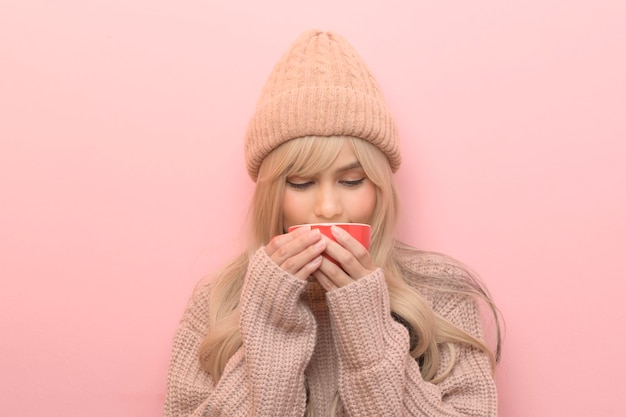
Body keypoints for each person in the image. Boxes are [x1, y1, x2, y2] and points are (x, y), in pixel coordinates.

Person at [164, 30, 502, 417]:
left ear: (379, 185)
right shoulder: (217, 299)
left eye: (352, 180)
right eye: (302, 183)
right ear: (272, 191)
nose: (327, 207)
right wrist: (271, 325)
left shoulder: (441, 290)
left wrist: (369, 331)